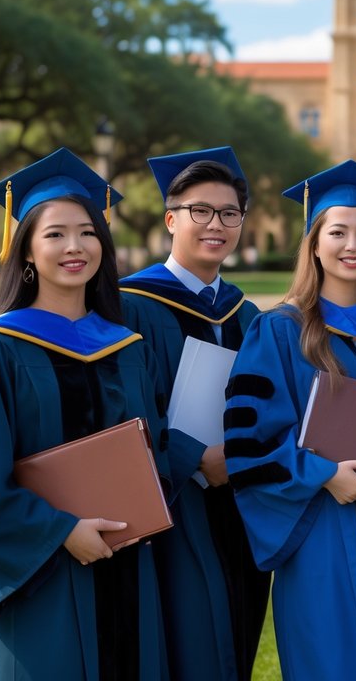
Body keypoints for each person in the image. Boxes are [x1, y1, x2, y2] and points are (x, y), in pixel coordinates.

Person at [0, 148, 176, 678]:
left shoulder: (128, 346)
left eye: (87, 233)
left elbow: (159, 453)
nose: (75, 247)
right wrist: (62, 531)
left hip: (130, 563)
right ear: (26, 252)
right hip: (43, 577)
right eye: (55, 234)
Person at [222, 160, 356, 680]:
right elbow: (249, 442)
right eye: (337, 232)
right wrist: (325, 474)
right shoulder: (280, 331)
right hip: (318, 528)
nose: (352, 244)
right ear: (314, 244)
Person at [119, 147, 270, 680]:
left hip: (238, 504)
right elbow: (115, 411)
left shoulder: (247, 314)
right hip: (168, 507)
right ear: (171, 218)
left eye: (229, 213)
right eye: (199, 211)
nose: (216, 225)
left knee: (237, 630)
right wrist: (193, 456)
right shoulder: (128, 305)